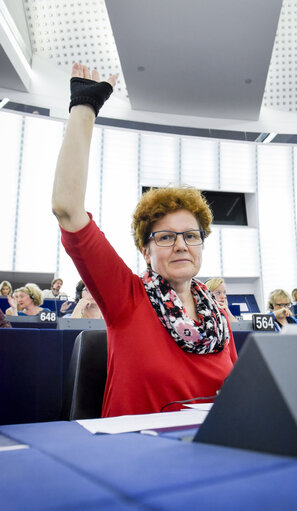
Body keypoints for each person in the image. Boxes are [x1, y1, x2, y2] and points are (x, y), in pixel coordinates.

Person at [52, 63, 238, 418]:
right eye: (166, 237)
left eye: (191, 236)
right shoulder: (126, 297)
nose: (181, 245)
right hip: (135, 459)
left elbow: (239, 401)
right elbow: (67, 210)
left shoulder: (218, 318)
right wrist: (84, 107)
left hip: (213, 457)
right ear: (146, 250)